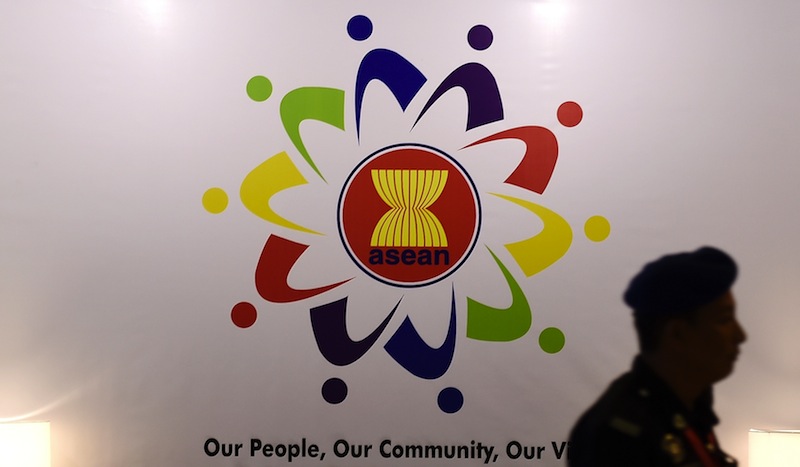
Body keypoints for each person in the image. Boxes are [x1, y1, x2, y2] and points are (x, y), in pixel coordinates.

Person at [568, 246, 747, 467]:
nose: (741, 336)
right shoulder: (619, 435)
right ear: (677, 334)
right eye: (724, 319)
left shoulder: (691, 406)